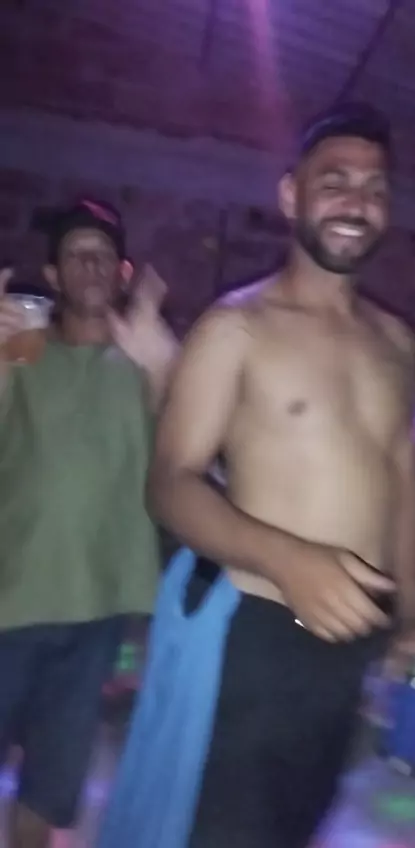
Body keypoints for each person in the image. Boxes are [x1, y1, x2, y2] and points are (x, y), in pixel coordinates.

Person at [101, 104, 415, 848]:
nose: (357, 203)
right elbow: (170, 483)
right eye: (335, 183)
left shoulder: (397, 343)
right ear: (291, 196)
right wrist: (288, 559)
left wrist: (412, 621)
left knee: (295, 824)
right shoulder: (236, 327)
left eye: (375, 189)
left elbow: (401, 487)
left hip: (348, 644)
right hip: (254, 638)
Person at [0, 200, 176, 848]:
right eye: (75, 255)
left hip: (96, 608)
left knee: (51, 785)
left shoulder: (147, 361)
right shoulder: (21, 352)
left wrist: (166, 365)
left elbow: (188, 455)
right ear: (52, 275)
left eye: (103, 254)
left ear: (123, 271)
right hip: (9, 596)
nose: (91, 265)